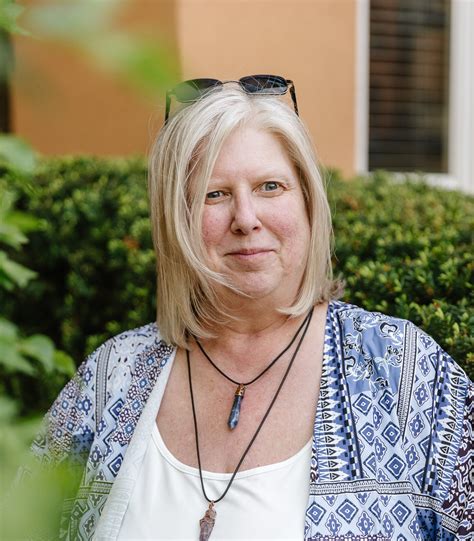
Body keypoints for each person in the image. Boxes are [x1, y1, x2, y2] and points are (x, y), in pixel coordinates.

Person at [29, 76, 472, 540]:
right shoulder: (110, 378)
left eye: (270, 187)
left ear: (308, 202)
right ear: (176, 217)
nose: (245, 218)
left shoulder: (405, 372)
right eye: (214, 194)